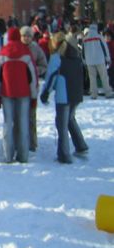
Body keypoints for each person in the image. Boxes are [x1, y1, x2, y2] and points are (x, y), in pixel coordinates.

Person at [40, 32, 88, 163]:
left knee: (61, 123)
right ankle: (81, 145)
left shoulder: (57, 58)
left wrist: (45, 94)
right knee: (70, 120)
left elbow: (51, 77)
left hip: (63, 95)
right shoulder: (77, 57)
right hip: (76, 94)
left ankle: (64, 154)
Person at [0, 27, 38, 163]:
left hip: (7, 92)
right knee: (23, 123)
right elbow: (33, 77)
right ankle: (23, 156)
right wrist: (34, 95)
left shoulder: (3, 52)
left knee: (8, 123)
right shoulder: (26, 52)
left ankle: (8, 155)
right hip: (23, 93)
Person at [19, 26, 47, 152]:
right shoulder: (16, 48)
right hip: (18, 87)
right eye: (24, 36)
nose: (26, 38)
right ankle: (19, 140)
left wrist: (36, 70)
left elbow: (43, 64)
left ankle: (32, 142)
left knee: (31, 115)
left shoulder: (36, 49)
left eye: (28, 36)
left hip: (32, 86)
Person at [82, 23, 113, 99]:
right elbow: (105, 48)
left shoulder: (85, 39)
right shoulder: (99, 37)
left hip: (89, 61)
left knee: (92, 77)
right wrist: (108, 58)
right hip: (99, 60)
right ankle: (108, 92)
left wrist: (84, 61)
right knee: (104, 77)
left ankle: (94, 94)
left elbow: (83, 51)